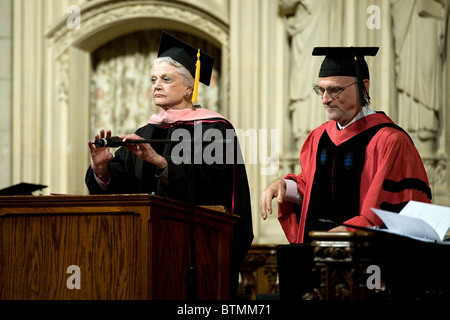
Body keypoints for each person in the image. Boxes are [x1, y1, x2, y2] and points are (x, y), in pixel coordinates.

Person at [85, 31, 253, 298]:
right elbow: (125, 188)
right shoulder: (146, 132)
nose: (156, 85)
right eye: (153, 79)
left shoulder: (213, 129)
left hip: (198, 253)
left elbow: (214, 188)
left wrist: (160, 162)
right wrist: (102, 170)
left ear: (189, 87)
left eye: (166, 79)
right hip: (146, 250)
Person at [259, 46, 432, 244]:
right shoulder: (318, 138)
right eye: (321, 90)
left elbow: (395, 208)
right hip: (317, 257)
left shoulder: (389, 141)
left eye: (334, 90)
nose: (325, 99)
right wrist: (284, 186)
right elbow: (311, 192)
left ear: (363, 87)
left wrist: (351, 230)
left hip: (363, 261)